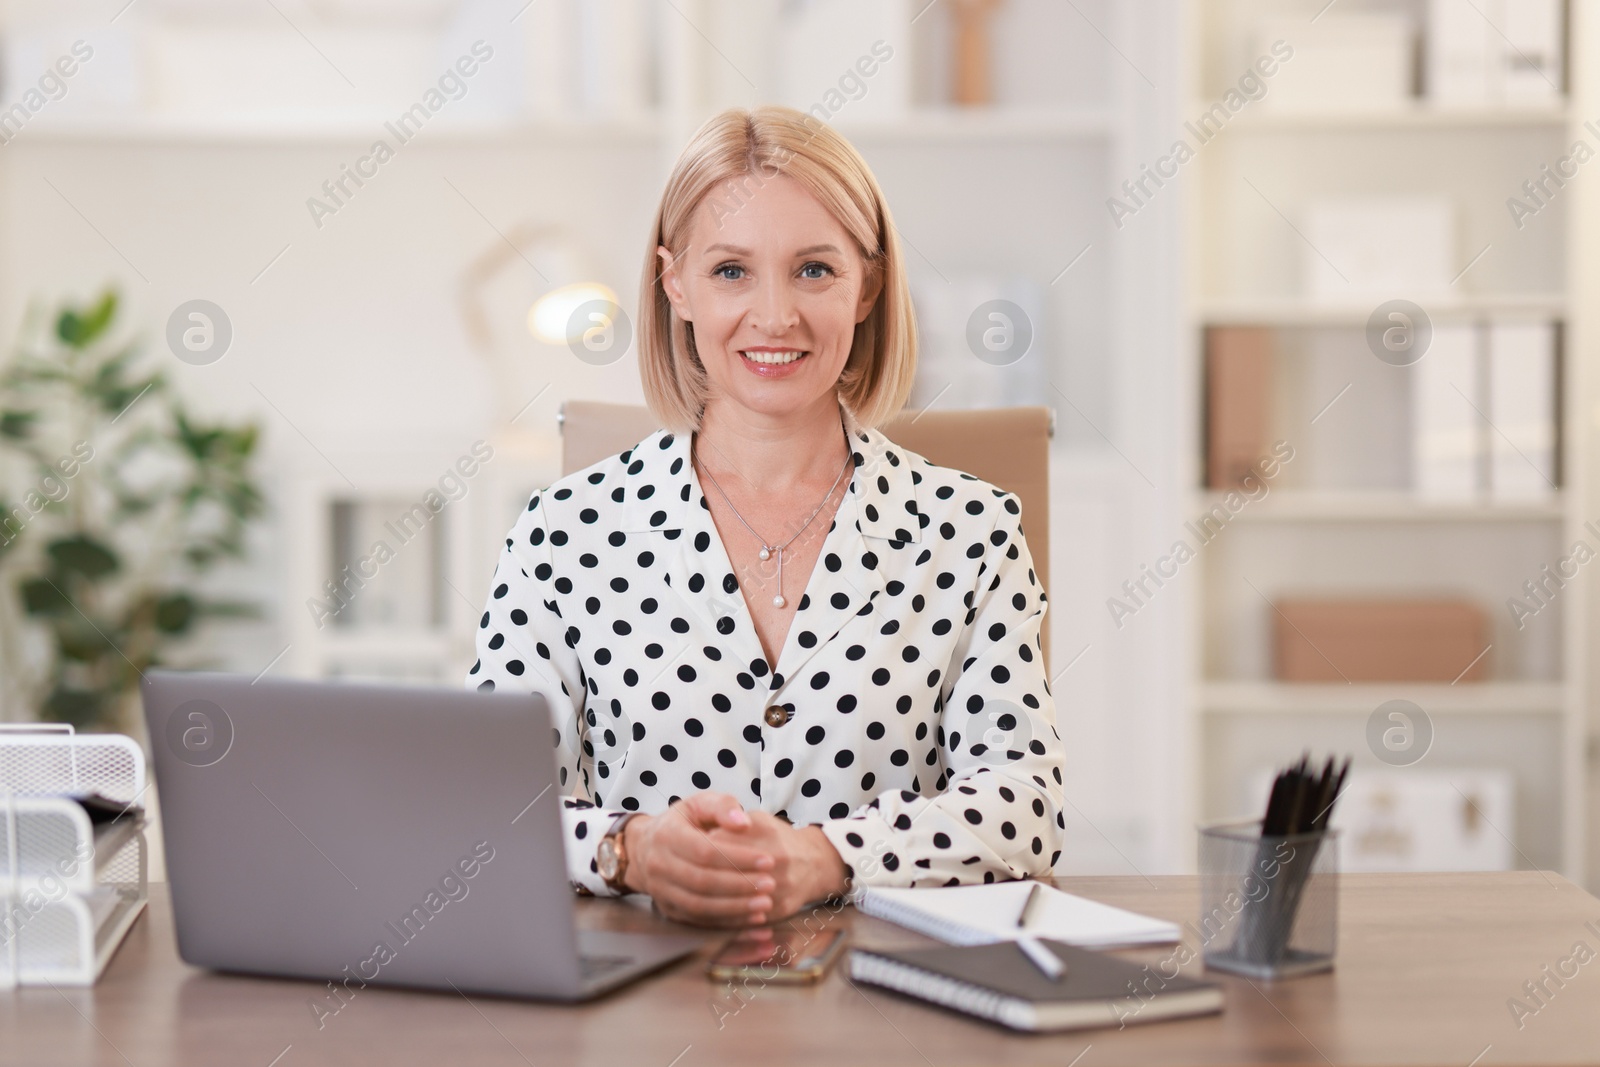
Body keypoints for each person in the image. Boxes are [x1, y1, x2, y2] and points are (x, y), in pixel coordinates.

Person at [467, 104, 1064, 928]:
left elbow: (1025, 805)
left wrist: (826, 857)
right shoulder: (559, 531)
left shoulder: (973, 530)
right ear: (673, 283)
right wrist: (628, 849)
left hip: (892, 1007)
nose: (776, 315)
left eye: (814, 269)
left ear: (869, 284)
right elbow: (478, 804)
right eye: (731, 271)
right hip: (638, 1011)